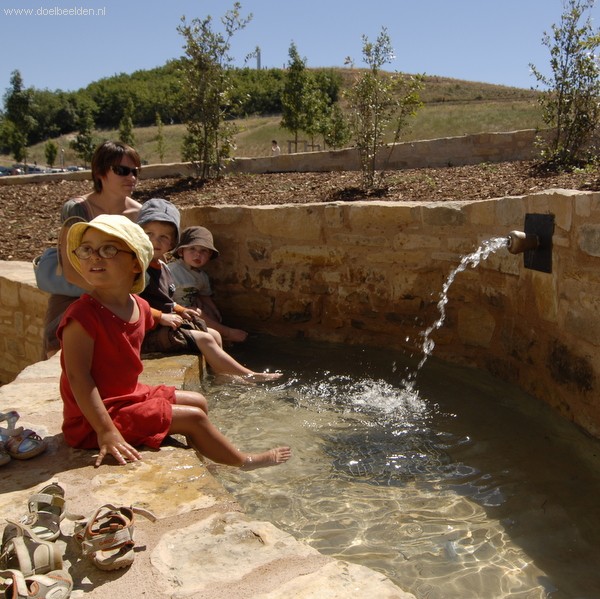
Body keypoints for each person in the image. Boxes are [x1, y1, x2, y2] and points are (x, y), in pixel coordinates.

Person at [57, 213, 291, 469]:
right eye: (87, 249)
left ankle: (207, 454)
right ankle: (243, 461)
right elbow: (78, 378)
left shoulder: (137, 304)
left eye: (108, 249)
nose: (94, 257)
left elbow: (151, 314)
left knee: (199, 401)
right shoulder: (82, 317)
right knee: (193, 418)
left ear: (136, 263)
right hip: (94, 420)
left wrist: (176, 313)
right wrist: (106, 431)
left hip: (127, 396)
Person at [136, 198, 280, 381]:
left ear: (172, 243)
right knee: (205, 339)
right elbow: (131, 303)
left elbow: (164, 300)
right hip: (147, 334)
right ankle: (248, 375)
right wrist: (161, 316)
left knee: (214, 334)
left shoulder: (162, 268)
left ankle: (222, 377)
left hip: (164, 326)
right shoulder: (138, 269)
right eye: (148, 233)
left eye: (164, 237)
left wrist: (180, 309)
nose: (155, 241)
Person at [43, 140, 142, 358]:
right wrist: (108, 298)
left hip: (123, 298)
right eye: (122, 171)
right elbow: (71, 271)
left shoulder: (139, 214)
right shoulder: (77, 210)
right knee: (57, 352)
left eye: (135, 171)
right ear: (99, 172)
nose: (131, 178)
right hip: (75, 294)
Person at [169, 226, 248, 343]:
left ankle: (219, 334)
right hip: (175, 311)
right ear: (181, 252)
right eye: (192, 249)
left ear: (209, 255)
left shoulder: (202, 276)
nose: (198, 254)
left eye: (203, 251)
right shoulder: (172, 271)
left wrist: (214, 309)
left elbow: (204, 295)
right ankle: (227, 333)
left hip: (190, 309)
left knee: (208, 312)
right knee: (198, 312)